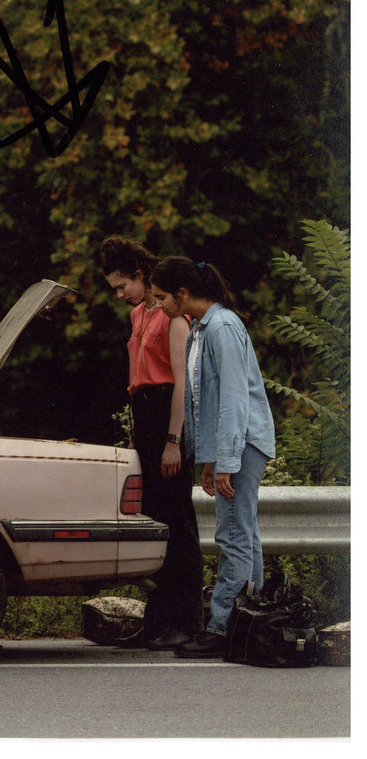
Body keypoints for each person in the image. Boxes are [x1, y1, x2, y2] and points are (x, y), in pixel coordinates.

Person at [148, 256, 277, 660]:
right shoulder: (205, 328)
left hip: (241, 444)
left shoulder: (221, 328)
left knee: (233, 536)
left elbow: (235, 400)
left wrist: (227, 461)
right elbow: (207, 401)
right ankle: (248, 624)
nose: (158, 306)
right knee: (245, 534)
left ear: (183, 295)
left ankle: (222, 629)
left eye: (161, 297)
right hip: (234, 446)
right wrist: (209, 459)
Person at [97, 236, 203, 649]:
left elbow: (180, 384)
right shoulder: (138, 315)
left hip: (166, 415)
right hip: (143, 415)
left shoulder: (173, 318)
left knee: (178, 523)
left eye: (123, 286)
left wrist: (173, 440)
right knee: (155, 523)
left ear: (141, 276)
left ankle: (187, 621)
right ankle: (157, 620)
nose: (120, 295)